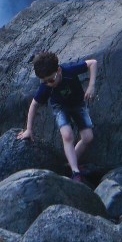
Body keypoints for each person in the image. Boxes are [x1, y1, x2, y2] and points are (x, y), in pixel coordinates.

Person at [17, 51, 98, 179]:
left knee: (88, 137)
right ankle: (76, 172)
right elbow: (34, 105)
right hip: (60, 107)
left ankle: (71, 165)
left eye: (51, 79)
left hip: (78, 104)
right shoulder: (46, 86)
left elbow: (93, 63)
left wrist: (91, 85)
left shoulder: (69, 71)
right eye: (45, 81)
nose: (49, 83)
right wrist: (29, 129)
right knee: (67, 135)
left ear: (59, 70)